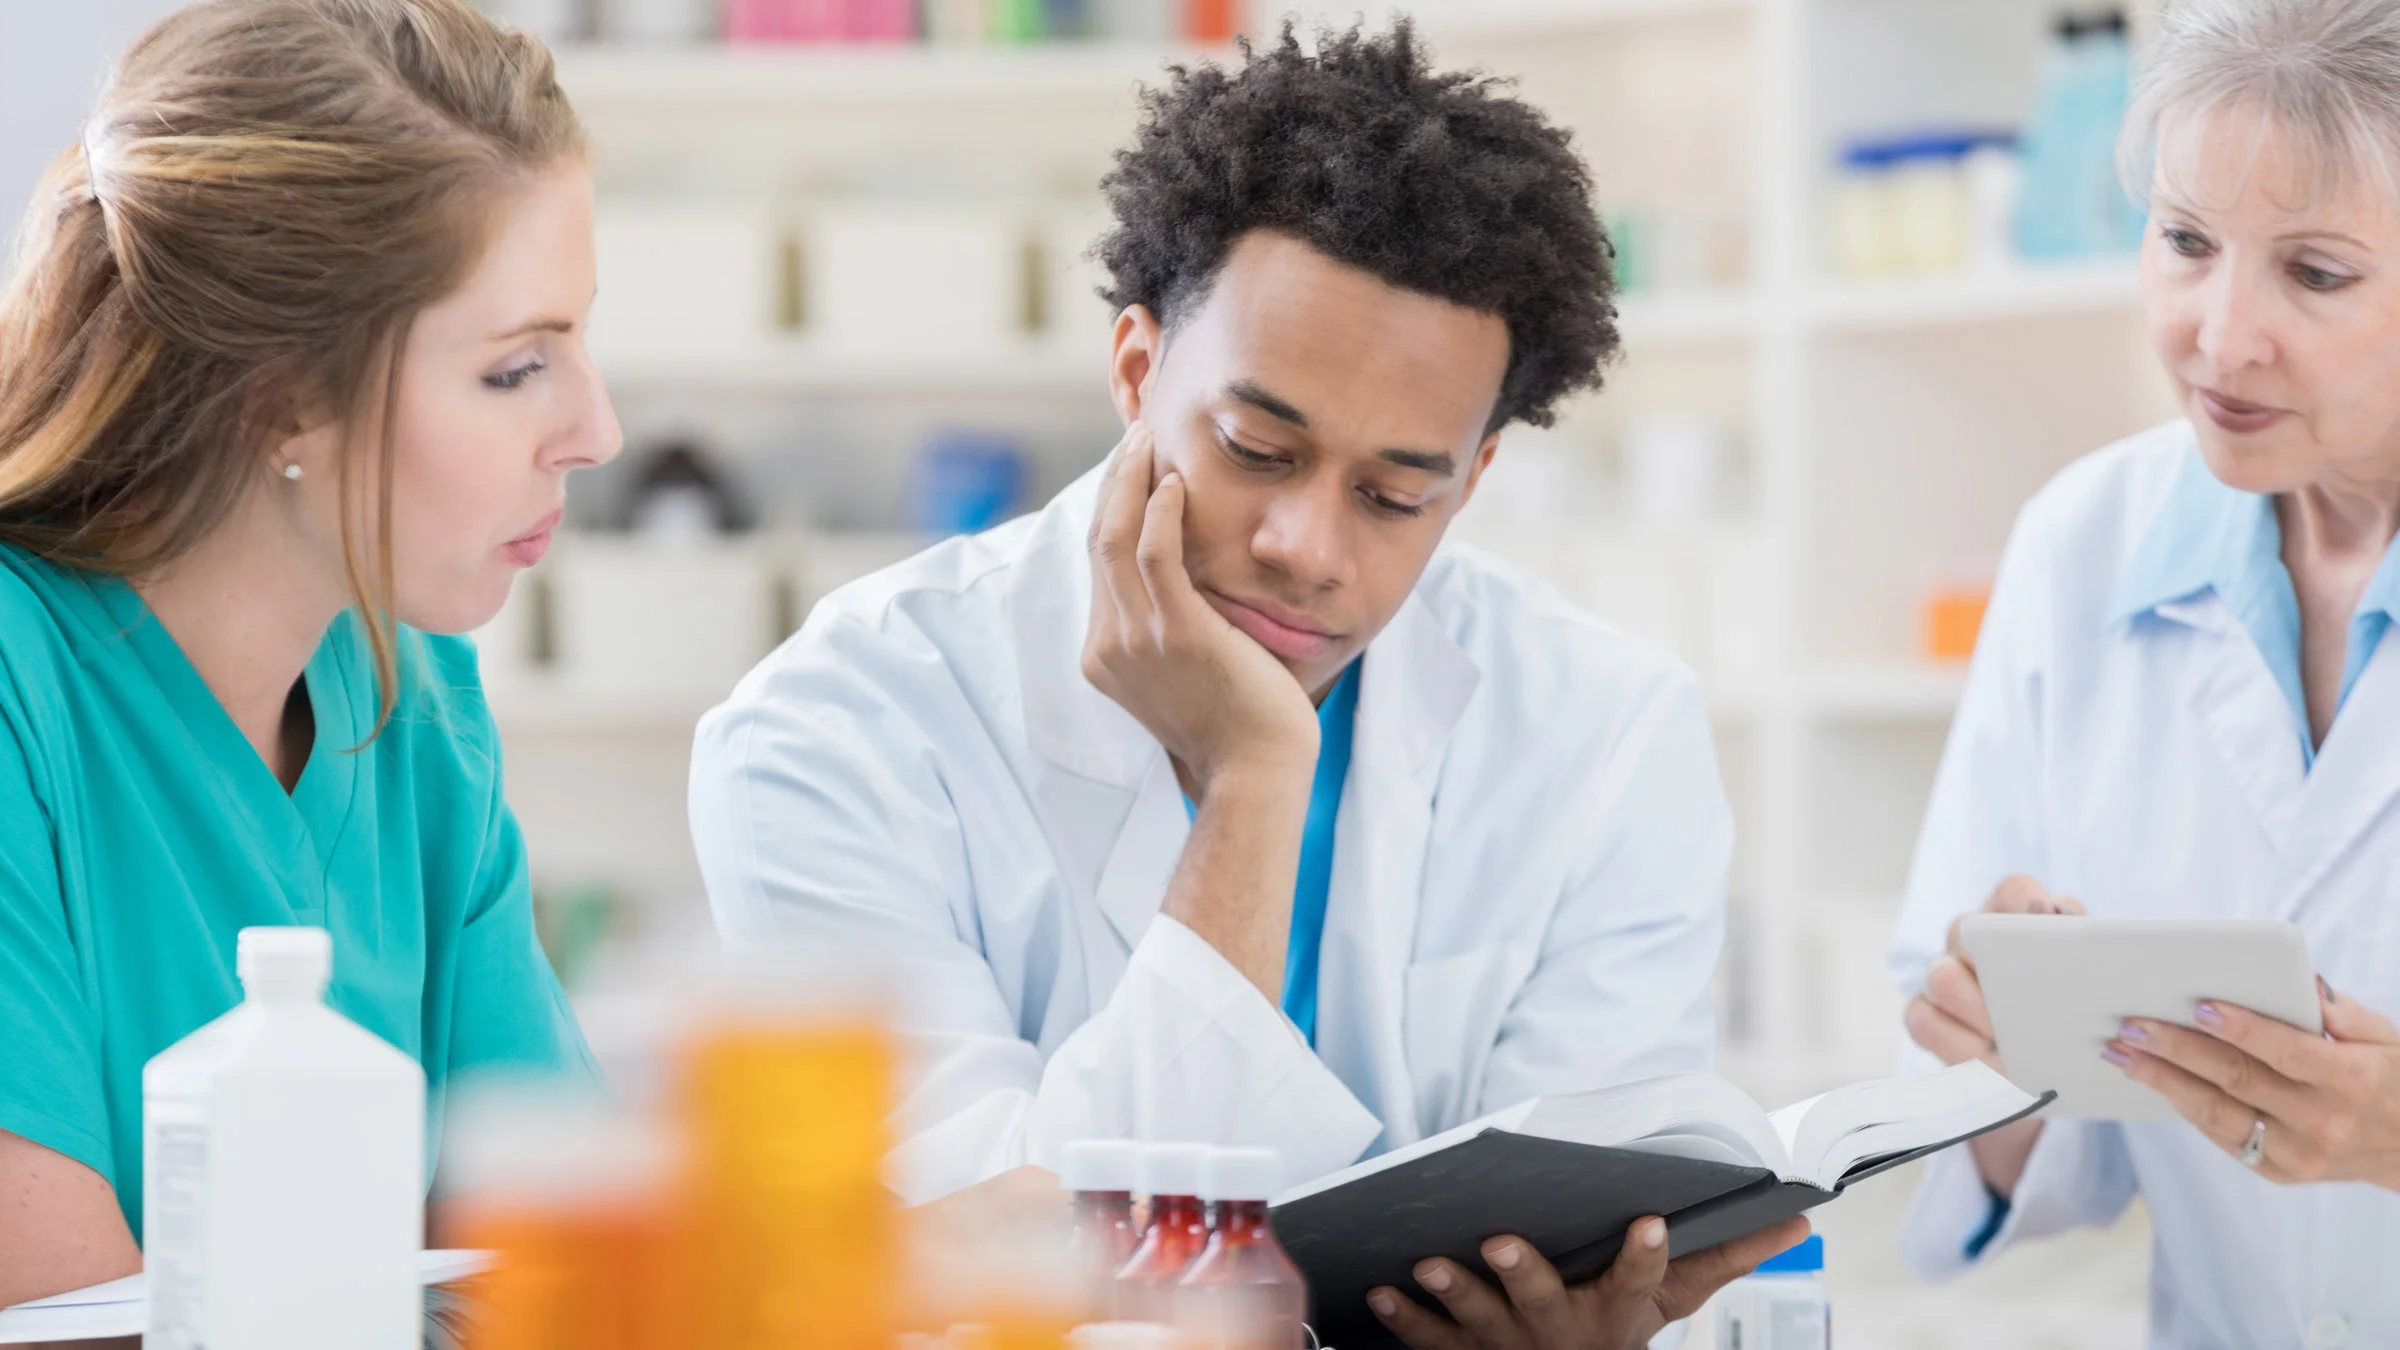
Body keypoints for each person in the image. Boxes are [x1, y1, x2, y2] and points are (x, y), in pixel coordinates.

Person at [691, 22, 1803, 1348]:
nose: (1309, 552)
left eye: (1397, 495)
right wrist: (1256, 786)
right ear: (1136, 372)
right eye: (1259, 450)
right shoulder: (833, 731)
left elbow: (1593, 1199)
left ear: (1477, 478)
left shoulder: (1609, 727)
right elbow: (1006, 1273)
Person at [0, 0, 620, 1308]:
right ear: (281, 395)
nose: (595, 430)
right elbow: (65, 1326)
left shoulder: (414, 696)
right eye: (518, 369)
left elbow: (573, 1280)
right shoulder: (22, 688)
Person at [1891, 1, 2400, 1344]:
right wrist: (1997, 1060)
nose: (2220, 337)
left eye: (2318, 272)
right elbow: (2016, 1142)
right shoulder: (2083, 543)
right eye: (2185, 242)